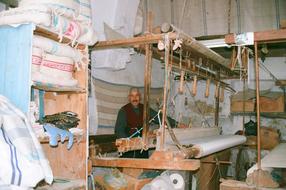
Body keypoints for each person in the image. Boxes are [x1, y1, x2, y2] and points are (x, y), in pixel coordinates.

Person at [114, 87, 184, 158]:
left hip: (143, 146)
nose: (135, 98)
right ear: (129, 98)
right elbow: (119, 130)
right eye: (132, 96)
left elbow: (159, 117)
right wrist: (128, 144)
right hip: (129, 150)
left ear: (140, 97)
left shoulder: (145, 108)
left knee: (143, 164)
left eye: (137, 95)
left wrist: (177, 124)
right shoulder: (123, 111)